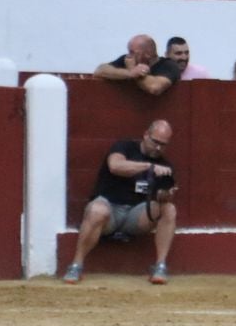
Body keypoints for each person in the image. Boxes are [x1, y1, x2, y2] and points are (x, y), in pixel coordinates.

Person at [62, 120, 178, 285]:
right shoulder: (125, 147)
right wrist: (148, 167)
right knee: (97, 211)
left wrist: (166, 194)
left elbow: (161, 197)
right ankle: (76, 265)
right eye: (155, 142)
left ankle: (160, 266)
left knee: (169, 209)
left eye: (163, 145)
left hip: (136, 215)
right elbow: (115, 166)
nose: (158, 148)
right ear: (146, 135)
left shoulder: (165, 165)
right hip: (109, 209)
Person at [93, 34, 181, 95]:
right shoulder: (128, 60)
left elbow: (154, 87)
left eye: (132, 52)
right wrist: (130, 73)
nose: (129, 55)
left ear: (148, 54)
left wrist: (133, 70)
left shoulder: (169, 65)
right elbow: (100, 70)